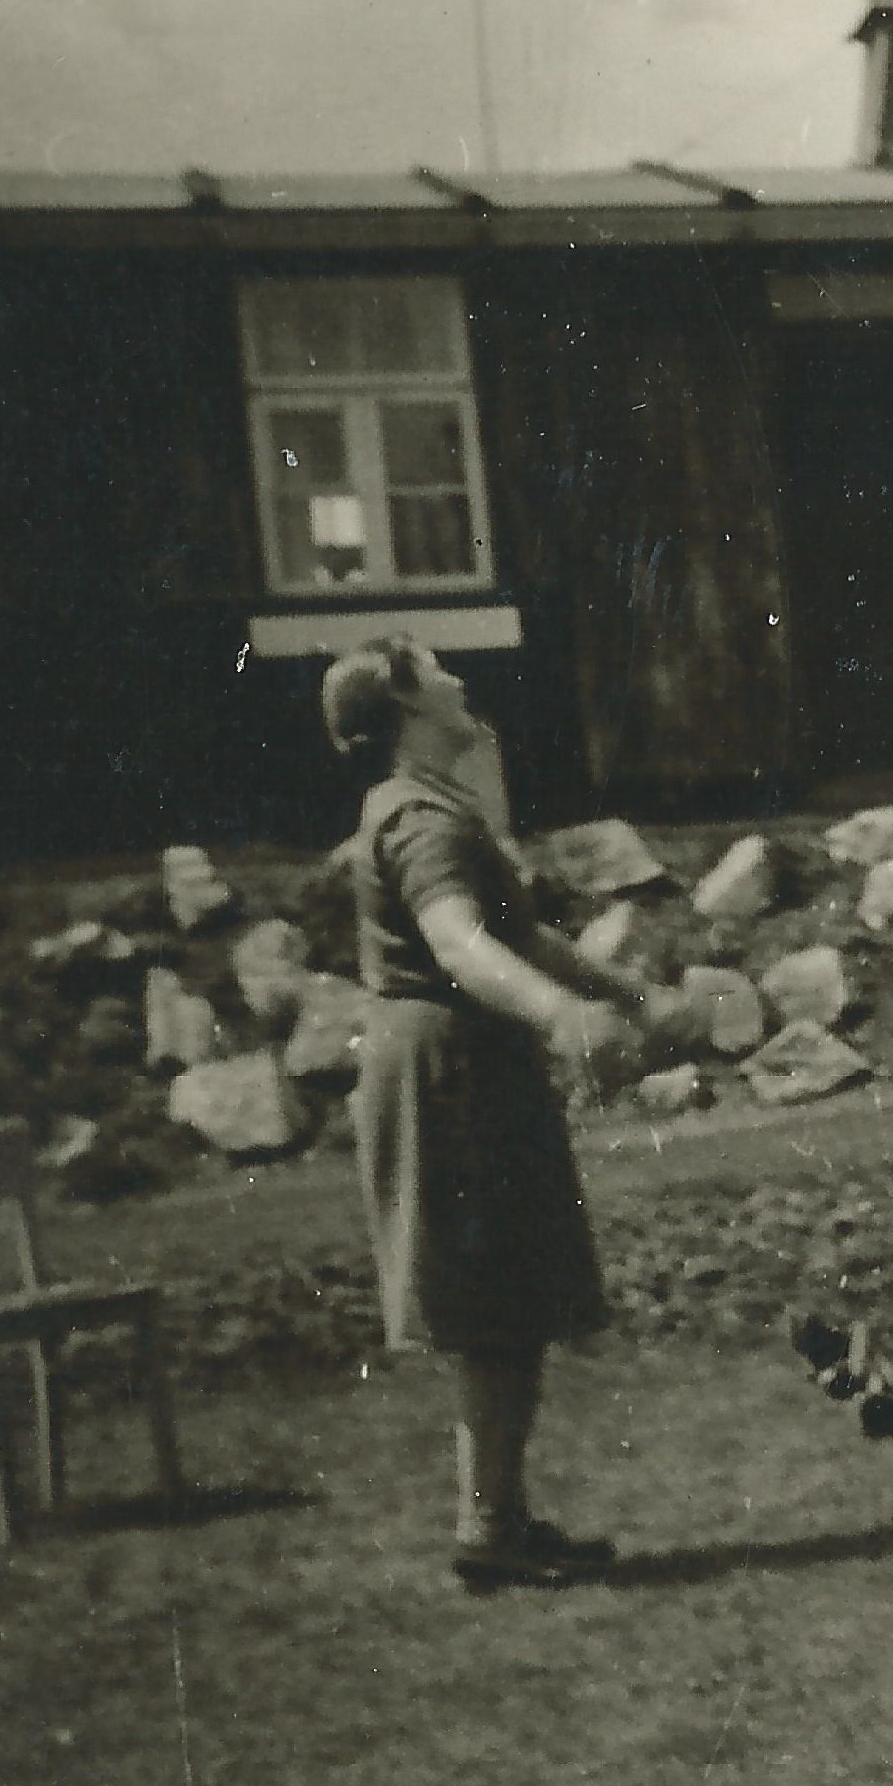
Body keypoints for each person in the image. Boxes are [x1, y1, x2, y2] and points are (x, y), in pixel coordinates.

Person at [327, 634, 683, 1589]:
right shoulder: (418, 818)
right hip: (451, 1075)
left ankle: (501, 1521)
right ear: (406, 702)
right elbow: (458, 943)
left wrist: (623, 991)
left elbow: (514, 934)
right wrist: (557, 1013)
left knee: (508, 1302)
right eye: (436, 671)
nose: (458, 681)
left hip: (470, 1066)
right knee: (490, 1306)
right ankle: (487, 1529)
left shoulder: (433, 804)